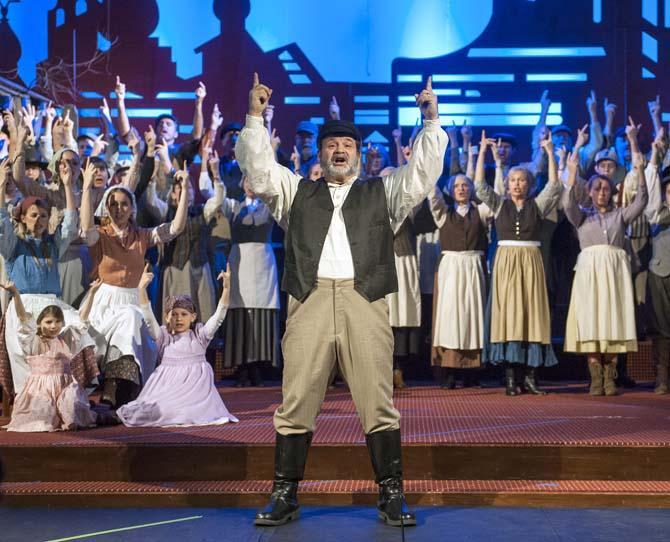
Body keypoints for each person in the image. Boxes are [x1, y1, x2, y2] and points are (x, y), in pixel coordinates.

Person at [236, 72, 446, 527]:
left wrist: (430, 123)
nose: (338, 151)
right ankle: (285, 494)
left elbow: (423, 175)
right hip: (310, 300)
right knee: (297, 398)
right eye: (332, 144)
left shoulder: (382, 192)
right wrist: (254, 117)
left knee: (377, 398)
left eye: (346, 146)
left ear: (356, 154)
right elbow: (258, 171)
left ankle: (391, 495)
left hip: (363, 299)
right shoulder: (296, 191)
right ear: (321, 152)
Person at [79, 161, 189, 409]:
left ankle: (117, 396)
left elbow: (175, 228)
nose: (119, 209)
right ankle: (109, 395)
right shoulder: (101, 234)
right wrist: (86, 188)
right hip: (104, 302)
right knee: (122, 329)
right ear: (107, 208)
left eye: (124, 204)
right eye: (113, 204)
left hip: (132, 301)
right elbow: (86, 229)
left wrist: (185, 191)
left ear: (132, 209)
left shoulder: (141, 236)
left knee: (131, 328)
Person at [563, 118, 648, 396]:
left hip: (613, 274)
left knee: (611, 319)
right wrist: (575, 152)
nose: (602, 192)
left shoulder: (619, 216)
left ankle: (610, 376)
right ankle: (595, 376)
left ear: (612, 192)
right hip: (589, 274)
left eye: (606, 188)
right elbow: (566, 201)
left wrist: (634, 143)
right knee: (591, 320)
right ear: (588, 192)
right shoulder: (581, 218)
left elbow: (643, 200)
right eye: (597, 188)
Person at [0, 157, 96, 396]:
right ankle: (30, 400)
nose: (39, 220)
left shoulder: (53, 245)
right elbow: (2, 223)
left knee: (80, 331)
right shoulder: (14, 246)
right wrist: (1, 186)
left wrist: (67, 186)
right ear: (22, 217)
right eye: (33, 215)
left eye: (43, 216)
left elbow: (71, 225)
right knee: (24, 353)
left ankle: (65, 394)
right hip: (24, 307)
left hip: (52, 306)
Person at [475, 131, 562, 396]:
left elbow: (555, 187)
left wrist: (549, 152)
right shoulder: (500, 205)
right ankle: (511, 378)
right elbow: (479, 186)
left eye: (521, 180)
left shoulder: (537, 206)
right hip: (506, 264)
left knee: (531, 316)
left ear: (529, 184)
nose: (516, 184)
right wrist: (481, 153)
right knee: (508, 317)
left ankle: (532, 377)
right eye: (512, 180)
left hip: (531, 262)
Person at [116, 265, 238, 427]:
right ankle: (109, 417)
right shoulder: (164, 337)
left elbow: (219, 315)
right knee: (158, 411)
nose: (179, 319)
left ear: (193, 317)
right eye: (174, 315)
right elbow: (147, 316)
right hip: (167, 388)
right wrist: (141, 289)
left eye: (184, 314)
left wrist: (227, 289)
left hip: (195, 394)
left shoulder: (200, 336)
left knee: (187, 413)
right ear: (167, 318)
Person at [207, 172, 280, 387]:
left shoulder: (268, 206)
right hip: (240, 263)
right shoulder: (233, 206)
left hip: (263, 264)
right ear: (242, 183)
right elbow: (217, 200)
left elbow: (280, 198)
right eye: (248, 180)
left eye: (254, 181)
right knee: (240, 314)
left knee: (259, 315)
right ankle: (241, 368)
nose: (250, 185)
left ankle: (257, 367)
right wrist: (216, 173)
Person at [2, 279, 99, 432]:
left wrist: (92, 293)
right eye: (48, 322)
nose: (53, 326)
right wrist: (15, 293)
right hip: (41, 390)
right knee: (42, 418)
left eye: (57, 322)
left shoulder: (65, 339)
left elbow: (82, 321)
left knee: (73, 410)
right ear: (39, 323)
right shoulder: (33, 340)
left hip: (64, 388)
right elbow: (23, 319)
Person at [429, 174, 490, 387]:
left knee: (473, 317)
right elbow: (433, 196)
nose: (461, 189)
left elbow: (493, 199)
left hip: (473, 267)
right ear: (451, 190)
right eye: (456, 186)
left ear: (472, 188)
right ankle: (449, 371)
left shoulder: (480, 212)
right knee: (449, 317)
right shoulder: (443, 214)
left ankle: (472, 373)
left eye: (465, 185)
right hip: (450, 271)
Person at [643, 133, 670, 394]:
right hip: (661, 272)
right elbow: (651, 197)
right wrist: (654, 156)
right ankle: (662, 376)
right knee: (661, 327)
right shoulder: (658, 213)